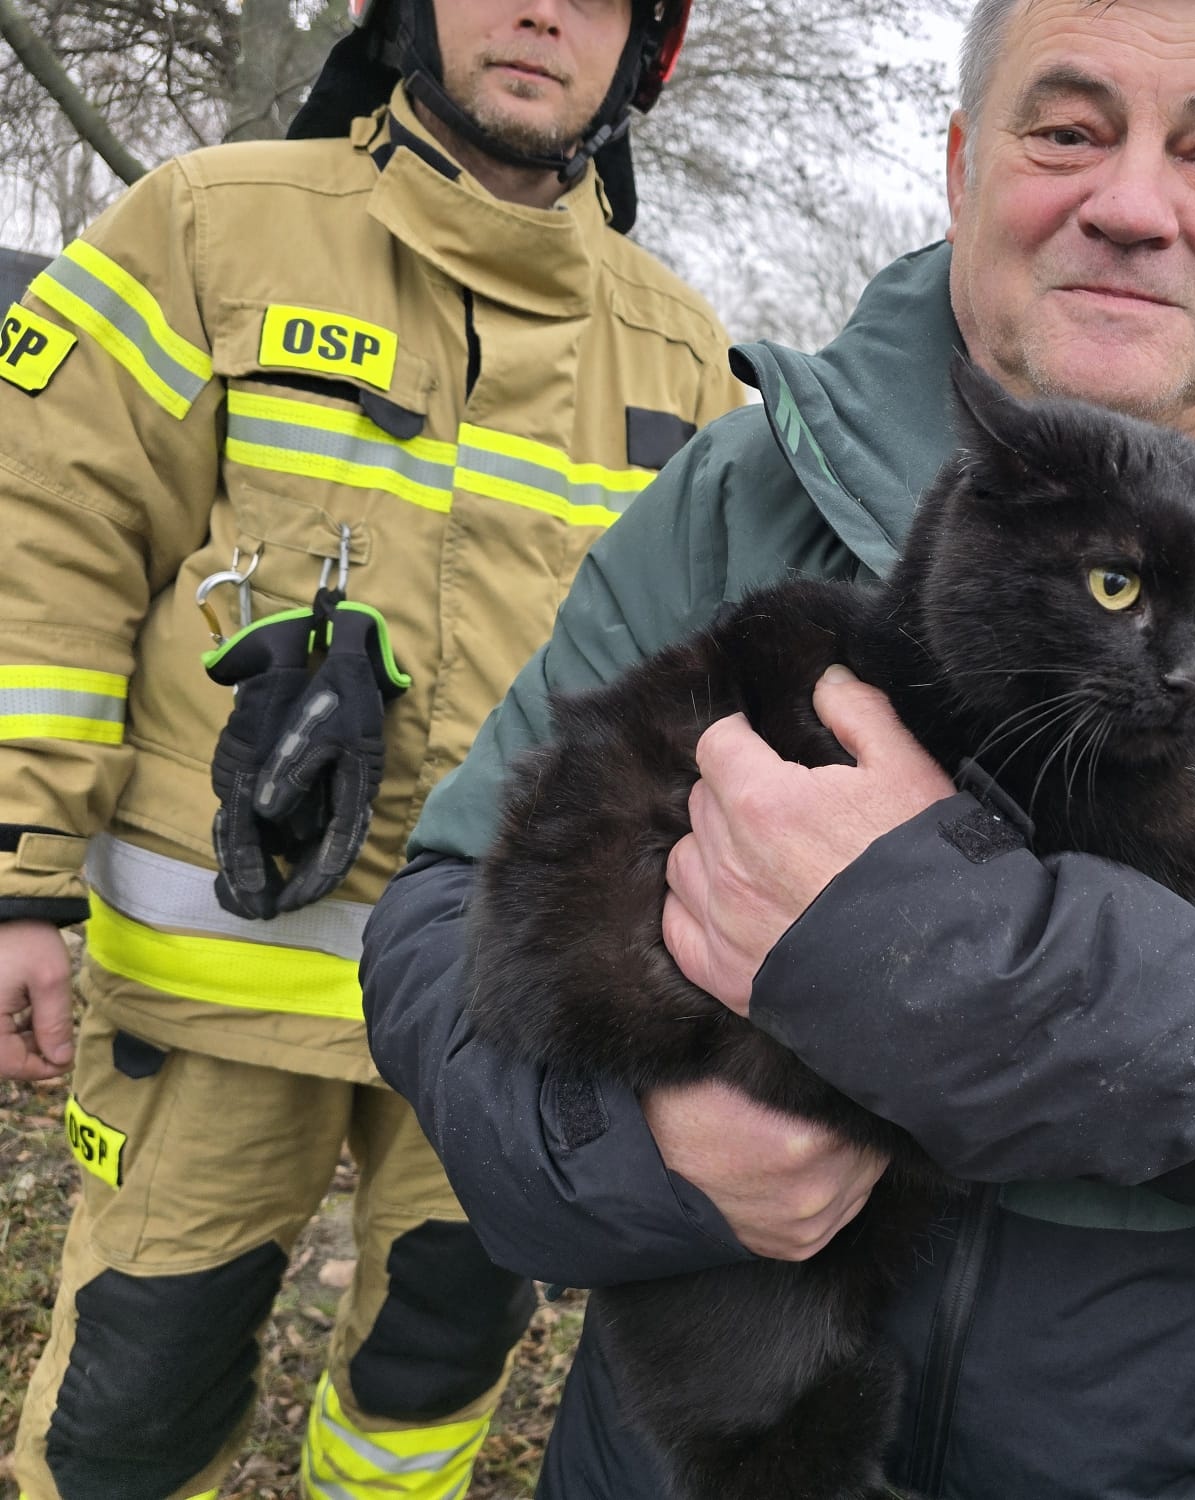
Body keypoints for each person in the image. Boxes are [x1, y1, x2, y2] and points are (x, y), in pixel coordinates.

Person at [362, 0, 1195, 1493]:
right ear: (959, 165)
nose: (1132, 207)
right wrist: (636, 1153)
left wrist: (927, 941)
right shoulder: (747, 475)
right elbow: (434, 922)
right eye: (1066, 131)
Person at [0, 0, 739, 1489]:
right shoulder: (208, 230)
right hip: (209, 1003)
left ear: (644, 45)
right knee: (134, 1402)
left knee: (432, 1375)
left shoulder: (684, 355)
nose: (540, 12)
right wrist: (16, 879)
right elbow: (43, 547)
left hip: (502, 1017)